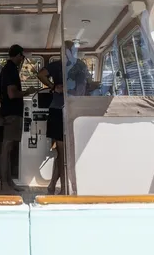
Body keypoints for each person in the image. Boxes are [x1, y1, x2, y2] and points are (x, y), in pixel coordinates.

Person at [37, 41, 89, 194]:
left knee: (62, 152)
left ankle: (53, 185)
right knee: (64, 152)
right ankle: (64, 188)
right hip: (63, 110)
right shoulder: (77, 65)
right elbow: (40, 74)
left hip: (65, 110)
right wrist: (54, 87)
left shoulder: (73, 65)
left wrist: (54, 86)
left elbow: (41, 74)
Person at [0, 44, 37, 193]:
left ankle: (9, 182)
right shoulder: (9, 70)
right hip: (12, 113)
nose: (22, 59)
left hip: (13, 113)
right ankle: (5, 184)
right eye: (22, 56)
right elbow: (12, 94)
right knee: (6, 148)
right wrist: (28, 91)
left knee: (9, 149)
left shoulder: (10, 70)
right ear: (18, 55)